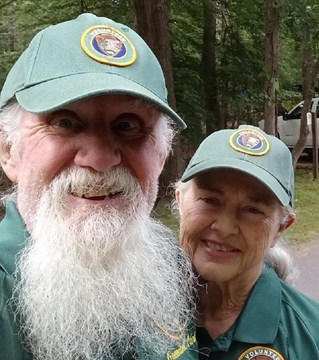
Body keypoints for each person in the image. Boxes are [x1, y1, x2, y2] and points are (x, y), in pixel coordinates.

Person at [0, 13, 197, 360]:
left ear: (162, 157)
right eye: (64, 122)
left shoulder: (170, 268)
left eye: (128, 125)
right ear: (8, 151)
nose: (101, 158)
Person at [174, 125, 319, 359]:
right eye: (209, 200)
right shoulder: (134, 316)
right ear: (180, 201)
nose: (225, 227)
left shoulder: (318, 340)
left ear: (281, 228)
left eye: (252, 210)